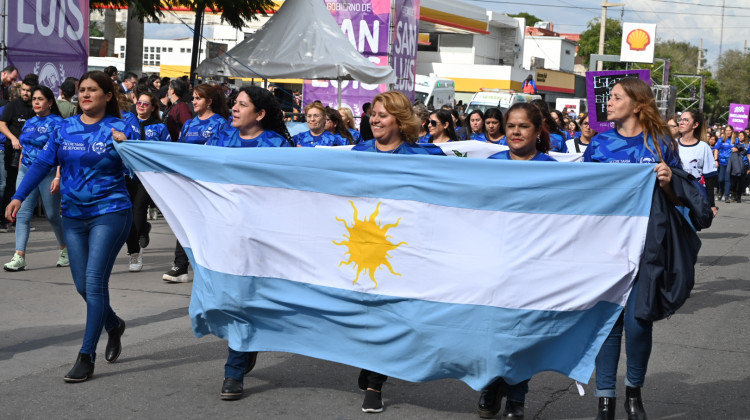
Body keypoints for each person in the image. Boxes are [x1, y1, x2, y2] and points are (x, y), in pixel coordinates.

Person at [6, 71, 139, 382]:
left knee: (94, 283)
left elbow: (139, 167)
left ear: (108, 95)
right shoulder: (64, 127)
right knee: (82, 286)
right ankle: (113, 324)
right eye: (82, 90)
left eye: (93, 90)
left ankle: (86, 355)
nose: (86, 94)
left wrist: (128, 146)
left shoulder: (120, 127)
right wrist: (18, 196)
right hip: (74, 216)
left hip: (111, 212)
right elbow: (41, 163)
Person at [583, 77, 681, 420]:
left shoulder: (661, 144)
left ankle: (634, 393)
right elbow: (579, 192)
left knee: (639, 324)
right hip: (604, 248)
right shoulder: (599, 144)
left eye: (615, 97)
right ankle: (605, 400)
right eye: (608, 97)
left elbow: (684, 198)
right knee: (607, 325)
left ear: (637, 104)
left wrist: (670, 183)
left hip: (646, 248)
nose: (607, 102)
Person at [351, 91, 444, 413]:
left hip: (401, 251)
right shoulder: (357, 152)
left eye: (383, 114)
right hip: (361, 247)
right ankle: (369, 358)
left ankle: (376, 383)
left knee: (391, 314)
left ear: (401, 122)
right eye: (373, 114)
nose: (374, 119)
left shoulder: (425, 157)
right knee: (366, 312)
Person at [202, 86, 292, 401]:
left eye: (242, 104)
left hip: (260, 238)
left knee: (243, 299)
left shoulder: (277, 145)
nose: (235, 109)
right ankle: (247, 344)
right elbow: (191, 163)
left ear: (261, 113)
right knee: (229, 300)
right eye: (234, 103)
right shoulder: (219, 139)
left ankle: (234, 370)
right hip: (224, 235)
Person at [478, 102, 556, 420]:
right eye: (511, 126)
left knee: (522, 333)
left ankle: (517, 397)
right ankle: (493, 384)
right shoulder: (491, 163)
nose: (515, 132)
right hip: (493, 262)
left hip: (533, 265)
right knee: (493, 330)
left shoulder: (553, 168)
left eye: (523, 126)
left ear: (538, 131)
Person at [162, 84, 228, 283]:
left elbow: (220, 154)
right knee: (184, 223)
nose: (194, 101)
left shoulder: (220, 123)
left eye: (199, 98)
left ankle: (212, 266)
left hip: (209, 184)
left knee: (209, 226)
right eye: (193, 97)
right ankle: (180, 266)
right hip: (187, 183)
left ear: (209, 101)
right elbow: (180, 151)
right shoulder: (189, 124)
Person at [3, 86, 68, 271]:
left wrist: (57, 176)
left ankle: (65, 250)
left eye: (40, 99)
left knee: (52, 215)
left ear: (49, 102)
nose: (36, 102)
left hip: (48, 174)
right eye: (34, 99)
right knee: (22, 213)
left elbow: (60, 152)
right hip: (26, 171)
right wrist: (23, 163)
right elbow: (25, 146)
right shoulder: (29, 122)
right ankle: (19, 256)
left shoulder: (58, 123)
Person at [125, 92, 171, 273]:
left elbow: (166, 151)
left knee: (138, 210)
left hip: (148, 176)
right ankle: (137, 242)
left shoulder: (160, 127)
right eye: (139, 103)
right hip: (127, 174)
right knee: (128, 214)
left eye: (146, 104)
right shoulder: (127, 122)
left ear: (153, 107)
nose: (141, 106)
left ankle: (135, 250)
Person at [0, 74, 36, 232]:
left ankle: (21, 219)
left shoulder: (37, 106)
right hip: (11, 151)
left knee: (27, 186)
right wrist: (14, 139)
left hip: (31, 154)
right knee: (9, 185)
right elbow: (2, 125)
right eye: (24, 90)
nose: (25, 93)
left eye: (29, 91)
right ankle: (4, 219)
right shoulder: (13, 105)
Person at [676, 110, 717, 215]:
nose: (681, 122)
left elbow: (709, 177)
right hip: (674, 196)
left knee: (690, 228)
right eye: (680, 120)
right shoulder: (672, 144)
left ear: (695, 125)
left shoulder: (703, 147)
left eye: (686, 120)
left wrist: (711, 205)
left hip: (695, 196)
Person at [713, 125, 737, 202]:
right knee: (720, 179)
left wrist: (737, 149)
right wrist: (716, 160)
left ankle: (726, 196)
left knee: (727, 179)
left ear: (732, 131)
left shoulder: (735, 140)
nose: (728, 132)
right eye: (726, 130)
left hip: (730, 163)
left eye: (729, 130)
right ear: (724, 131)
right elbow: (716, 149)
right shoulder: (721, 139)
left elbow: (741, 149)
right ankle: (720, 191)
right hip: (721, 162)